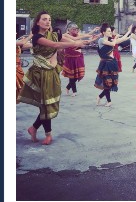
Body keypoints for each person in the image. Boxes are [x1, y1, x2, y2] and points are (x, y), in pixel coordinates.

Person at [17, 11, 88, 145]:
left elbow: (67, 40)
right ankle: (48, 134)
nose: (48, 21)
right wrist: (74, 44)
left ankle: (33, 128)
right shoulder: (37, 37)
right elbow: (55, 45)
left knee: (48, 103)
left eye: (49, 19)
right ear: (37, 22)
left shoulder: (54, 34)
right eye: (44, 19)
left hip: (52, 73)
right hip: (40, 74)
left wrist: (79, 42)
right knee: (45, 104)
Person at [95, 23, 132, 107]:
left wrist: (129, 32)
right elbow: (112, 44)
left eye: (110, 31)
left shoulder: (111, 40)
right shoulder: (101, 40)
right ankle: (109, 101)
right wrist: (115, 38)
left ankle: (99, 97)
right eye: (108, 31)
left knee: (111, 83)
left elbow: (122, 39)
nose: (110, 32)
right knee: (107, 83)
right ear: (103, 32)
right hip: (105, 64)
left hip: (112, 63)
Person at [62, 23, 100, 96]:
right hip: (70, 57)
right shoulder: (65, 35)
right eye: (73, 29)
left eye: (76, 29)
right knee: (72, 75)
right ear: (69, 29)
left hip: (78, 57)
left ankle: (68, 87)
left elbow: (84, 38)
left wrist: (93, 35)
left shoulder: (77, 35)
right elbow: (77, 38)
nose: (75, 30)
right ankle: (74, 91)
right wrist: (90, 35)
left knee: (77, 75)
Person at [16, 33, 33, 103]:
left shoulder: (17, 42)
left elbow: (26, 45)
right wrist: (31, 35)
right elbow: (22, 42)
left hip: (17, 68)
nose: (16, 33)